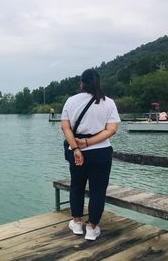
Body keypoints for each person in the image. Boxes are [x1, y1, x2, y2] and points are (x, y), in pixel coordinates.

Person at [60, 69, 121, 241]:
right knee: (98, 190)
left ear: (82, 83)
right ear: (98, 82)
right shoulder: (108, 103)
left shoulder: (71, 101)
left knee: (77, 186)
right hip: (101, 153)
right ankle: (92, 228)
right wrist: (88, 143)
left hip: (76, 152)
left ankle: (77, 223)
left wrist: (77, 148)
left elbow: (65, 127)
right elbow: (111, 130)